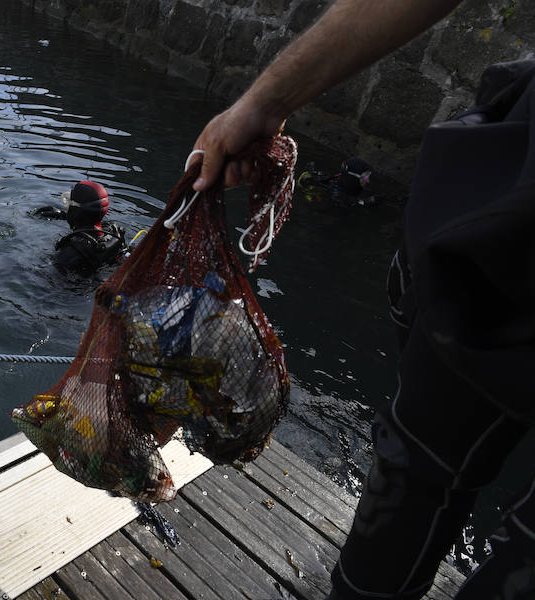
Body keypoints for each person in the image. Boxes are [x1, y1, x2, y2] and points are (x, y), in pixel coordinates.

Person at [190, 1, 535, 599]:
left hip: (501, 202)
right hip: (508, 209)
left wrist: (263, 103)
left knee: (417, 466)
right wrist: (263, 105)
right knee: (421, 463)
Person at [34, 180, 128, 274]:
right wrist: (62, 215)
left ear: (76, 211)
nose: (67, 208)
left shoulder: (67, 255)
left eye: (69, 204)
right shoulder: (115, 233)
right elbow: (88, 217)